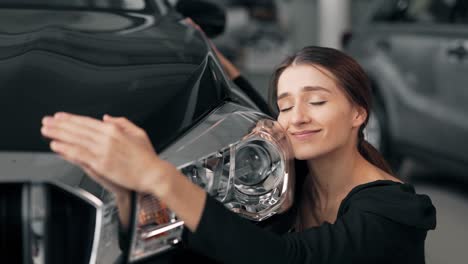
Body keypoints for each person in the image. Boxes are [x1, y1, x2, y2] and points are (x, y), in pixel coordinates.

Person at [40, 45, 436, 263]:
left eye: (316, 101)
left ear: (358, 113)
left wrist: (157, 175)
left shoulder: (391, 212)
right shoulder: (293, 170)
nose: (296, 118)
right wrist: (131, 193)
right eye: (284, 104)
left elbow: (282, 259)